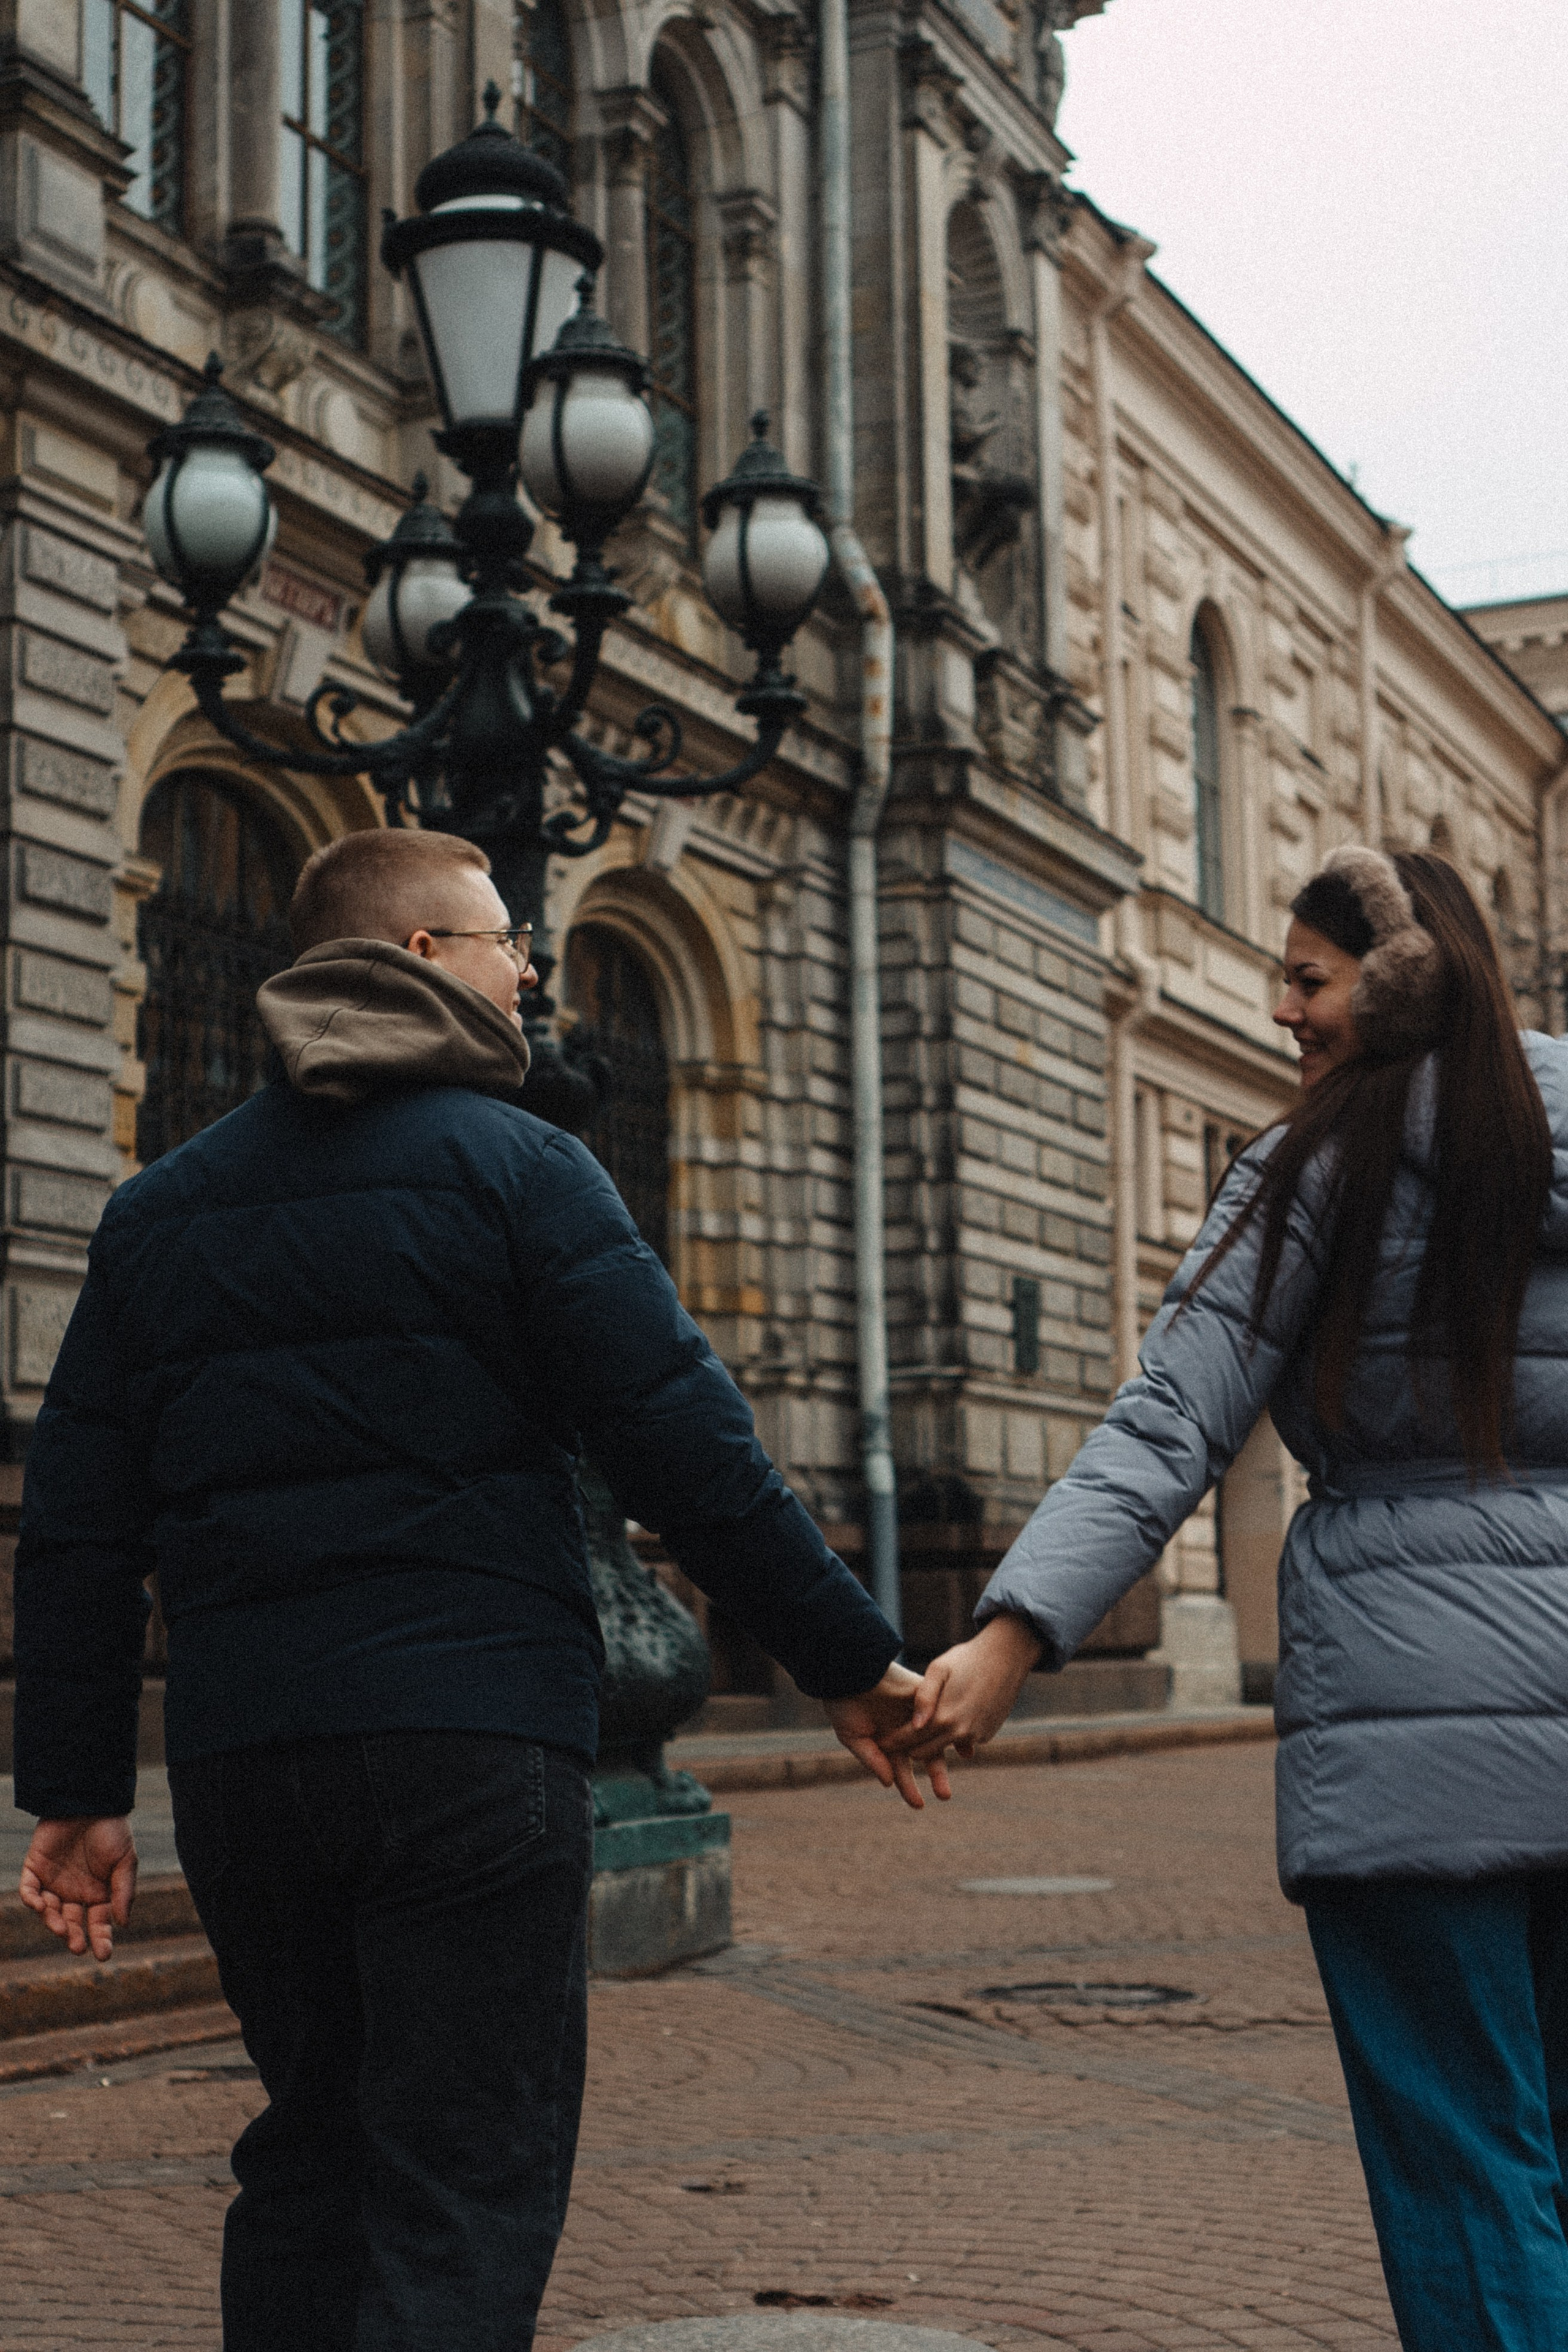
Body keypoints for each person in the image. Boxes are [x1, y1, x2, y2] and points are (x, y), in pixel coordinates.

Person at [12, 826, 941, 2352]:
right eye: (506, 938)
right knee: (461, 2177)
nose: (528, 969)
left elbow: (80, 1528)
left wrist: (75, 1787)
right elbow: (687, 1441)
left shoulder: (157, 1212)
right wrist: (848, 1661)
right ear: (419, 961)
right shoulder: (524, 1172)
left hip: (247, 1763)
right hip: (471, 1746)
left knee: (308, 2151)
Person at [895, 845, 1568, 2351]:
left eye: (1306, 978)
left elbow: (1166, 1427)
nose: (1281, 1010)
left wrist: (1010, 1637)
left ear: (1397, 976)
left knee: (1468, 2164)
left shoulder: (1311, 1168)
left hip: (1414, 1755)